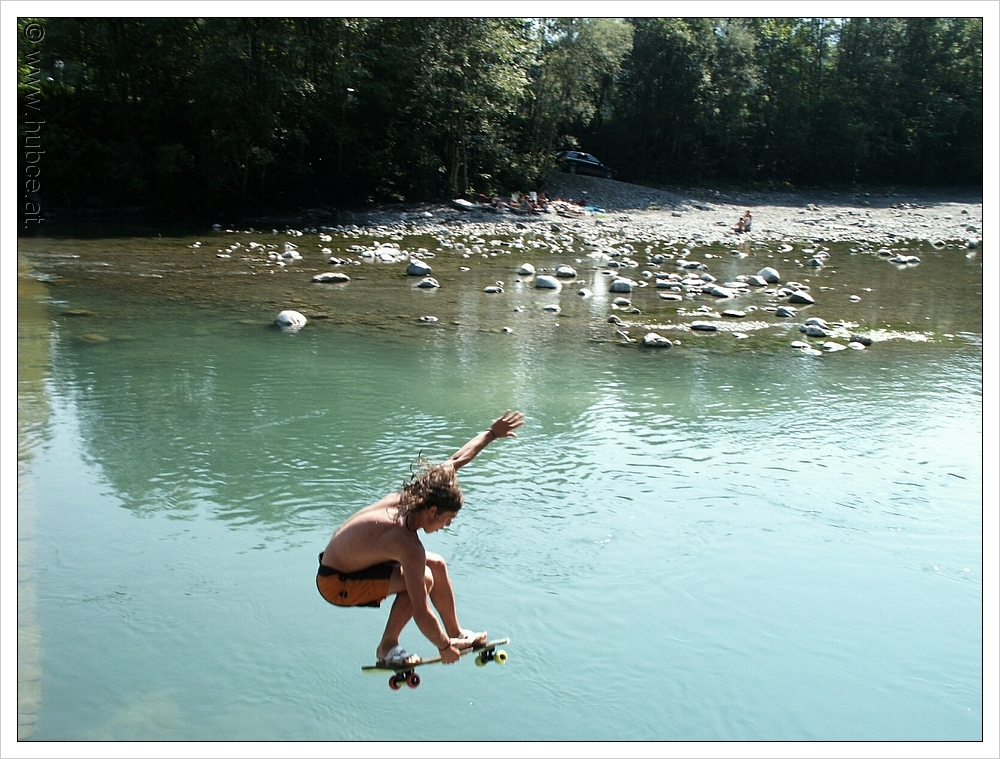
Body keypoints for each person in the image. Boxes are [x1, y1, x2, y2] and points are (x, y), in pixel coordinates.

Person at [317, 409, 526, 667]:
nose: (446, 526)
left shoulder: (417, 495)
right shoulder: (406, 543)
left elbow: (457, 460)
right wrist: (444, 648)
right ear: (432, 511)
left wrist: (491, 433)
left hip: (352, 564)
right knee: (423, 577)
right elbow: (421, 612)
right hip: (336, 583)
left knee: (436, 564)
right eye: (447, 519)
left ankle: (456, 633)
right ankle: (387, 647)